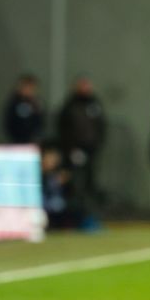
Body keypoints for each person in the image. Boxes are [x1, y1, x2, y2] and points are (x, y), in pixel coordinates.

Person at [58, 75, 106, 223]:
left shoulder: (94, 104)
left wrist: (97, 144)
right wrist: (71, 149)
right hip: (74, 150)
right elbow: (64, 129)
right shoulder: (70, 105)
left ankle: (90, 215)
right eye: (83, 85)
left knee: (90, 183)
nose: (86, 88)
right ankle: (72, 216)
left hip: (91, 150)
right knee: (73, 183)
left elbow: (101, 126)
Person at [3, 74, 45, 145]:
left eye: (31, 88)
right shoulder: (14, 103)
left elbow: (40, 122)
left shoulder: (37, 104)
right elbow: (9, 121)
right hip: (16, 141)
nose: (28, 90)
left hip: (33, 140)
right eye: (26, 87)